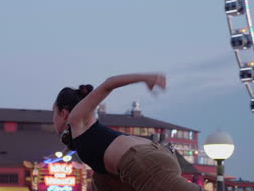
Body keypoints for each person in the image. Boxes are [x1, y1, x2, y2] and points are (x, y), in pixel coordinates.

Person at [52, 73, 205, 191]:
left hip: (142, 161)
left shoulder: (76, 118)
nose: (53, 120)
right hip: (153, 154)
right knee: (99, 180)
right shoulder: (83, 135)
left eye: (54, 112)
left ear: (63, 113)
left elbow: (108, 84)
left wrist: (147, 78)